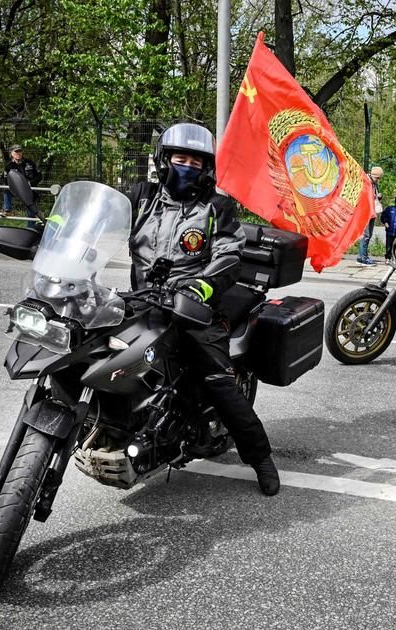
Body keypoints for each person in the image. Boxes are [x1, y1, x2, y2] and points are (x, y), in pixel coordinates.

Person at [126, 122, 280, 496]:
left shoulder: (216, 207)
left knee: (217, 379)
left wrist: (202, 286)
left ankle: (260, 458)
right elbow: (99, 226)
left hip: (194, 305)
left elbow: (229, 253)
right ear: (164, 161)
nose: (187, 167)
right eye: (180, 158)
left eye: (196, 162)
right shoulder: (141, 197)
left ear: (206, 167)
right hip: (142, 299)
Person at [0, 145, 42, 219]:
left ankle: (31, 228)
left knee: (31, 214)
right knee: (6, 190)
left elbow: (39, 176)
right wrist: (11, 185)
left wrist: (30, 183)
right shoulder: (8, 166)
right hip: (16, 190)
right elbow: (3, 179)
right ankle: (7, 210)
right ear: (11, 153)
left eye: (20, 151)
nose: (18, 153)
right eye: (16, 151)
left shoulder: (30, 163)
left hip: (29, 190)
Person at [357, 166, 383, 265]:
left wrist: (378, 197)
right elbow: (364, 197)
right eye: (377, 178)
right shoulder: (366, 183)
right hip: (366, 212)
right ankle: (363, 257)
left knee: (368, 234)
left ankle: (361, 256)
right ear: (373, 175)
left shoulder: (373, 184)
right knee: (366, 235)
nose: (378, 180)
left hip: (371, 212)